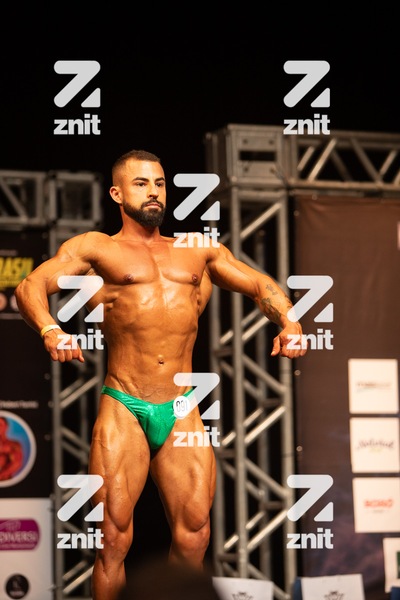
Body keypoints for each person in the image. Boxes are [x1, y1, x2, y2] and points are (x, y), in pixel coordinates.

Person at [15, 149, 307, 600]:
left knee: (196, 534)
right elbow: (29, 285)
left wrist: (290, 321)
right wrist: (50, 330)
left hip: (181, 407)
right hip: (124, 404)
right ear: (117, 193)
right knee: (112, 539)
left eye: (159, 183)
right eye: (140, 183)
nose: (153, 192)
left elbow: (258, 284)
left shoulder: (196, 250)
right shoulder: (97, 248)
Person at [0, 416, 24, 481]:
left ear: (6, 427)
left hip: (6, 480)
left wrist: (2, 475)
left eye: (0, 425)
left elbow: (17, 463)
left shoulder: (14, 445)